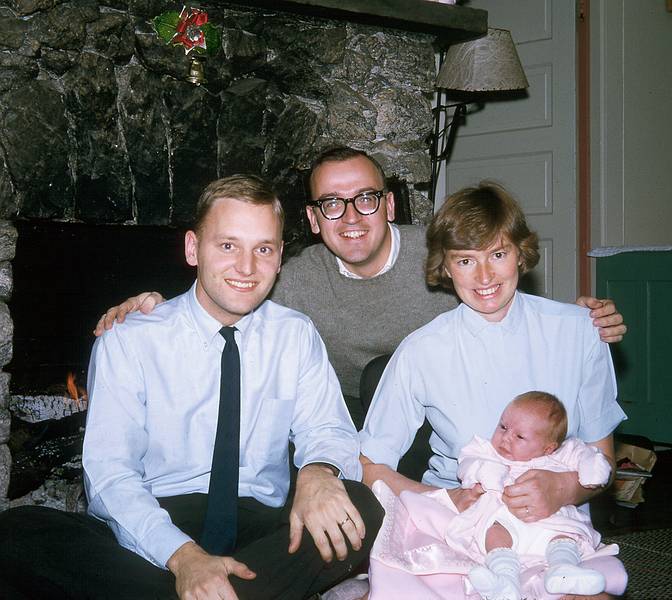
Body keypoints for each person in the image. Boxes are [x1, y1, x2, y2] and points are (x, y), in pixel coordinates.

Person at [0, 175, 383, 600]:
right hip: (161, 523)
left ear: (279, 260)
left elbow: (329, 430)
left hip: (262, 527)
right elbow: (110, 475)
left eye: (263, 249)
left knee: (361, 506)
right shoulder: (130, 339)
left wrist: (317, 471)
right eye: (227, 246)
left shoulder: (295, 335)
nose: (246, 267)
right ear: (192, 248)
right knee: (17, 531)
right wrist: (183, 557)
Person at [94, 147, 627, 434]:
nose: (350, 217)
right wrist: (157, 306)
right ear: (312, 218)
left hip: (450, 422)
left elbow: (503, 291)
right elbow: (233, 290)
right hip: (345, 421)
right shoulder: (294, 277)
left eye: (366, 198)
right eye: (332, 203)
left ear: (390, 205)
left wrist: (581, 319)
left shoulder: (443, 255)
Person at [359, 182, 628, 599]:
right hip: (458, 529)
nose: (484, 277)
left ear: (521, 253)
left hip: (554, 532)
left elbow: (603, 460)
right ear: (446, 268)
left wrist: (564, 489)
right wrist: (446, 496)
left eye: (498, 255)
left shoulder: (579, 331)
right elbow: (370, 466)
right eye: (466, 260)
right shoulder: (422, 351)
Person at [455, 392, 617, 599]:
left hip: (552, 522)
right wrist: (483, 471)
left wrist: (592, 467)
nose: (505, 438)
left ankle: (563, 569)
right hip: (506, 520)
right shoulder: (488, 451)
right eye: (503, 427)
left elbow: (588, 457)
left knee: (565, 537)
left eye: (519, 436)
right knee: (493, 532)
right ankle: (505, 580)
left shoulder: (563, 453)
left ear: (548, 447)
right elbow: (468, 462)